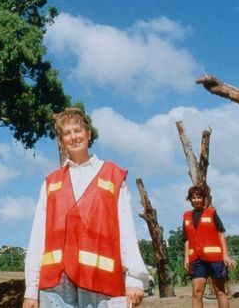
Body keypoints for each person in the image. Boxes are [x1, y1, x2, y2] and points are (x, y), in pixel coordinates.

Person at [23, 108, 148, 308]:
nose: (73, 137)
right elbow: (38, 236)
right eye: (67, 133)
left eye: (78, 130)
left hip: (100, 280)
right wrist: (31, 289)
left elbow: (126, 229)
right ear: (62, 141)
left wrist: (134, 277)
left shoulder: (112, 176)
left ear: (88, 134)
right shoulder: (51, 183)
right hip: (57, 283)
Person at [182, 185, 236, 308]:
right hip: (196, 260)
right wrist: (186, 257)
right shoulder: (186, 217)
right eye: (193, 198)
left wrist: (225, 255)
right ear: (190, 200)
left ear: (204, 198)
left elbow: (221, 233)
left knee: (220, 292)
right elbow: (186, 240)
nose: (196, 200)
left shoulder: (212, 213)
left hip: (215, 260)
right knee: (196, 293)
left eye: (199, 197)